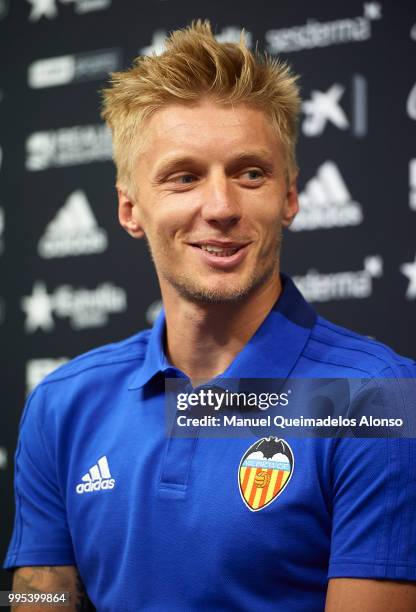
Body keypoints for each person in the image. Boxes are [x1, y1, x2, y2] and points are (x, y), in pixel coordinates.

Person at [4, 20, 416, 612]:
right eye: (184, 177)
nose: (220, 207)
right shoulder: (61, 402)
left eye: (251, 173)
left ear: (291, 196)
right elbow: (37, 603)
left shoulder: (378, 398)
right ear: (129, 208)